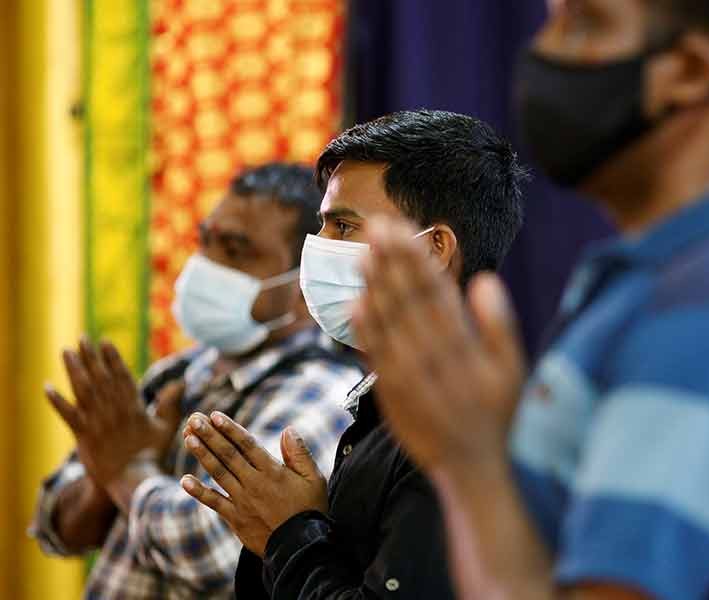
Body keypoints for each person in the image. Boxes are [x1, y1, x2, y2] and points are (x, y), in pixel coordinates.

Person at [352, 1, 709, 600]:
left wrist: (473, 463)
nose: (543, 54)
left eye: (584, 23)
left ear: (693, 71)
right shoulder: (681, 277)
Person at [178, 109, 527, 599]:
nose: (317, 250)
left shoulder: (458, 430)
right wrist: (284, 534)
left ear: (434, 249)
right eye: (323, 226)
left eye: (343, 227)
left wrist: (292, 534)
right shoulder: (389, 406)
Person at [31, 163, 362, 599]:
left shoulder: (323, 395)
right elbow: (55, 527)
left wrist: (126, 470)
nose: (206, 265)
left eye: (235, 250)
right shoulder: (176, 374)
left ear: (303, 280)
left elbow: (215, 552)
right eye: (205, 241)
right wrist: (104, 478)